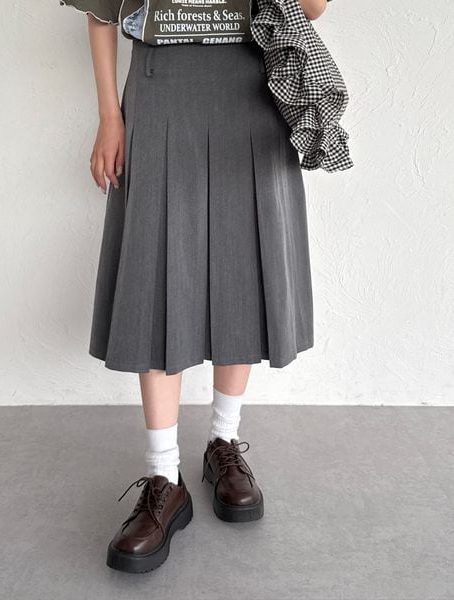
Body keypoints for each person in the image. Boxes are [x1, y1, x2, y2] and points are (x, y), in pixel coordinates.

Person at [60, 0, 330, 574]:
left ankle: (223, 444)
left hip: (253, 82)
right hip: (159, 83)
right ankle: (164, 476)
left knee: (243, 263)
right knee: (157, 269)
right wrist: (110, 116)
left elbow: (312, 7)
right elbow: (102, 12)